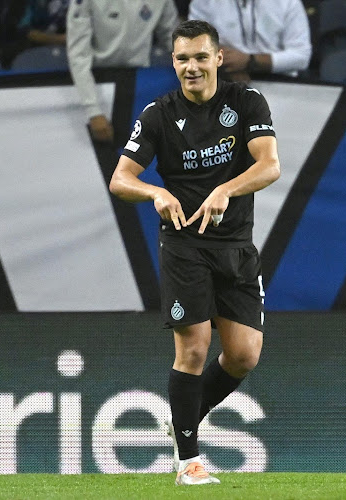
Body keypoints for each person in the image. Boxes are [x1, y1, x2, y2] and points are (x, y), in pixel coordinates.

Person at [109, 19, 280, 485]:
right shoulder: (158, 114)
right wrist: (154, 193)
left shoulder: (247, 101)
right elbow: (120, 179)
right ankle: (189, 462)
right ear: (173, 62)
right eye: (183, 58)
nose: (192, 67)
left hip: (236, 245)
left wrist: (226, 189)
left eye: (201, 57)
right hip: (184, 244)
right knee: (194, 347)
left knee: (244, 355)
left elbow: (269, 165)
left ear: (218, 59)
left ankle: (182, 418)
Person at [66, 0, 179, 142]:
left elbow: (174, 41)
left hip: (140, 85)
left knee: (144, 158)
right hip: (100, 85)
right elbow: (78, 56)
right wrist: (93, 110)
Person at [188, 0, 311, 82]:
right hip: (224, 77)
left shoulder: (288, 3)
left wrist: (250, 61)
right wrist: (226, 64)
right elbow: (196, 44)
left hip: (280, 79)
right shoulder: (203, 2)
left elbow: (301, 57)